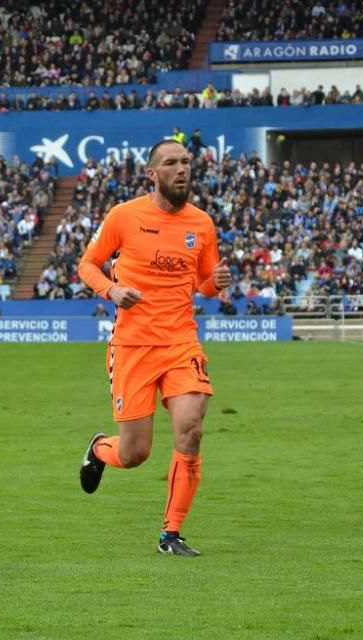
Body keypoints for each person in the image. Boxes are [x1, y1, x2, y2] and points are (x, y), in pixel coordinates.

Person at [77, 139, 232, 557]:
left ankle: (171, 534)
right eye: (171, 163)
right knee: (135, 453)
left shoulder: (201, 224)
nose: (181, 169)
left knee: (191, 430)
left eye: (186, 162)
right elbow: (87, 264)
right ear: (152, 173)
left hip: (182, 341)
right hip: (133, 345)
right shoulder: (123, 217)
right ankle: (98, 449)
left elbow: (202, 283)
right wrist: (112, 290)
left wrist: (216, 283)